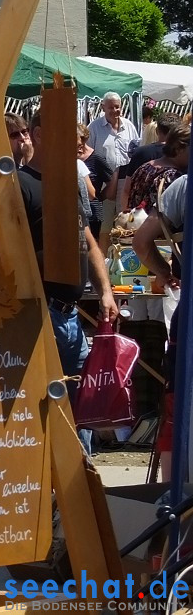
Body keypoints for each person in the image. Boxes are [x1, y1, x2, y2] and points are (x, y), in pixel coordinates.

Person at [18, 111, 119, 455]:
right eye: (66, 134)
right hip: (41, 310)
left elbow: (88, 239)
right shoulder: (20, 184)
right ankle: (53, 489)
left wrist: (105, 291)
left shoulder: (68, 181)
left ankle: (80, 484)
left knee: (81, 406)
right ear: (41, 135)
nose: (78, 143)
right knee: (43, 404)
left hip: (70, 314)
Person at [133, 175, 185, 481]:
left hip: (189, 313)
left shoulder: (183, 186)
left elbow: (140, 242)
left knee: (176, 409)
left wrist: (165, 273)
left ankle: (172, 506)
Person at [86, 92, 139, 242]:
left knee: (126, 222)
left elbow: (136, 150)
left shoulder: (129, 126)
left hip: (125, 181)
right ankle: (103, 260)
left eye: (118, 107)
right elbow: (87, 154)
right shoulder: (94, 127)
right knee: (106, 224)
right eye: (111, 107)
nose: (115, 111)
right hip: (105, 181)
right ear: (103, 107)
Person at [126, 123, 189, 214]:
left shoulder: (145, 167)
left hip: (133, 225)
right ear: (178, 149)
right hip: (154, 227)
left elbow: (127, 194)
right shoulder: (173, 177)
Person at [78, 122, 113, 241]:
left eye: (81, 141)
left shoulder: (96, 158)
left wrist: (100, 196)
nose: (80, 146)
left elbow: (111, 181)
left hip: (92, 212)